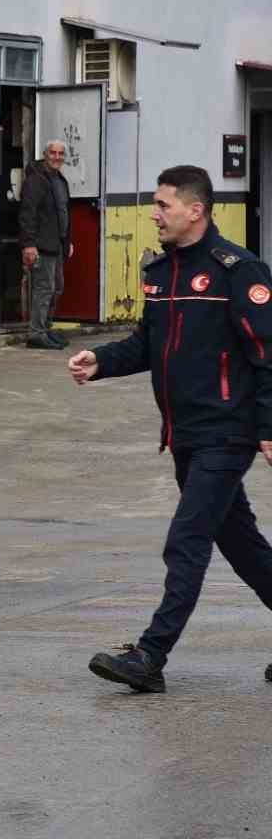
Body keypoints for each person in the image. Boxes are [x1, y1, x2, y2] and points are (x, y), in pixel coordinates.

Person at [71, 166, 272, 693]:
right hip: (183, 433)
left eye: (163, 205)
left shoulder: (239, 271)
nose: (154, 214)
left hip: (228, 432)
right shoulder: (161, 272)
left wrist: (268, 427)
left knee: (187, 538)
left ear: (195, 210)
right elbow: (146, 342)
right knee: (243, 544)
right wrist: (102, 361)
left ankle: (150, 655)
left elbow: (267, 354)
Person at [21, 141, 74, 349]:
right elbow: (28, 213)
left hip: (57, 245)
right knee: (44, 289)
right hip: (41, 245)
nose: (57, 157)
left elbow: (64, 212)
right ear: (45, 154)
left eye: (61, 154)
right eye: (53, 153)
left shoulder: (59, 179)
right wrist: (28, 244)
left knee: (56, 288)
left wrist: (67, 241)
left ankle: (46, 328)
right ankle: (36, 333)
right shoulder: (36, 180)